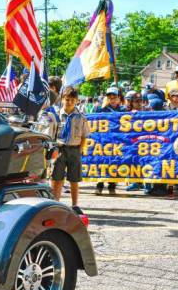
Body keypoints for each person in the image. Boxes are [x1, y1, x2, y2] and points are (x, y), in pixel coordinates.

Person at [51, 86, 90, 214]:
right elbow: (52, 133)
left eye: (72, 100)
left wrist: (80, 150)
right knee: (57, 178)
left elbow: (84, 135)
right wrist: (53, 149)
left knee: (74, 179)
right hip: (60, 149)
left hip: (74, 150)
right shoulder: (56, 116)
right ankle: (55, 203)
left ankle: (75, 205)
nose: (69, 102)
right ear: (62, 99)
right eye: (67, 99)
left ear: (77, 101)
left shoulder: (81, 117)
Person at [93, 87, 126, 194]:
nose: (112, 99)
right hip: (103, 141)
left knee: (115, 163)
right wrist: (101, 106)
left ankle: (112, 186)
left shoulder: (123, 110)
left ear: (119, 98)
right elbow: (92, 118)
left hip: (117, 141)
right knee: (102, 162)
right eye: (110, 97)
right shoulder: (101, 109)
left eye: (114, 97)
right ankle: (99, 185)